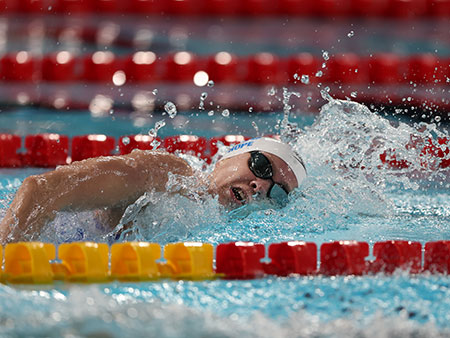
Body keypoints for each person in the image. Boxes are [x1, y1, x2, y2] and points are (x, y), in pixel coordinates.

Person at [0, 137, 306, 243]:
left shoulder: (211, 229)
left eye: (276, 192)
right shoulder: (166, 174)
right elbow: (39, 191)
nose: (260, 185)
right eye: (262, 167)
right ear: (232, 154)